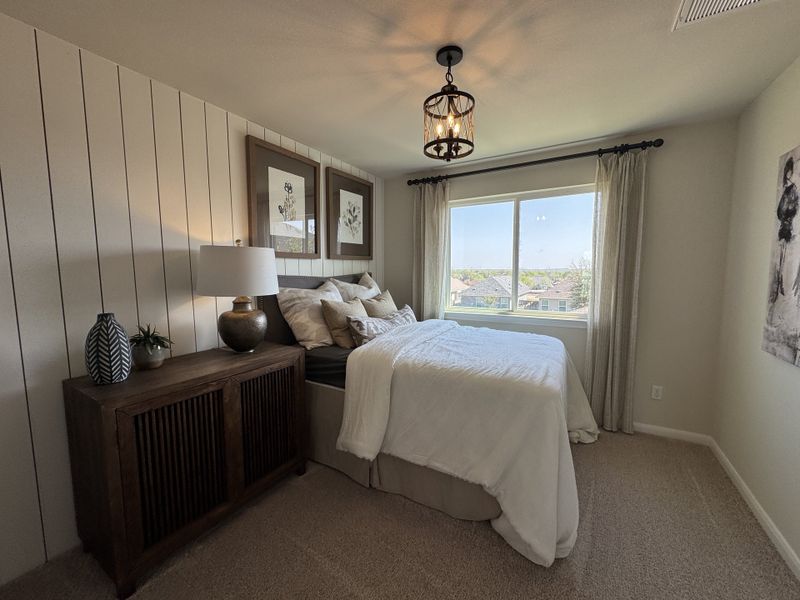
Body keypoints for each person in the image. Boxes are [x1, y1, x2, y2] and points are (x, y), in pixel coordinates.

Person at [770, 156, 799, 304]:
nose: (788, 175)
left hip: (787, 227)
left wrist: (786, 215)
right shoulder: (786, 190)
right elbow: (779, 211)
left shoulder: (792, 190)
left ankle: (780, 284)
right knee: (780, 256)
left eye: (790, 172)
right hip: (783, 227)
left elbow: (793, 209)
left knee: (784, 255)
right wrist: (784, 214)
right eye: (787, 172)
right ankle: (778, 284)